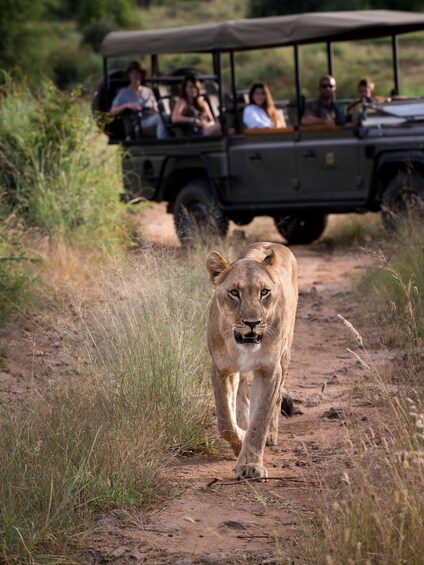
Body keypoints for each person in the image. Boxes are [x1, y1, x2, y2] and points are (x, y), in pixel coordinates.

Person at [110, 61, 168, 139]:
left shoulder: (148, 91)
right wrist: (127, 105)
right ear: (129, 75)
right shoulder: (124, 92)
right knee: (162, 117)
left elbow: (155, 109)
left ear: (141, 75)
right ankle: (163, 144)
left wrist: (155, 109)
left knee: (166, 116)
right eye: (132, 73)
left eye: (137, 72)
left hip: (152, 118)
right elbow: (112, 111)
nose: (135, 75)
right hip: (139, 123)